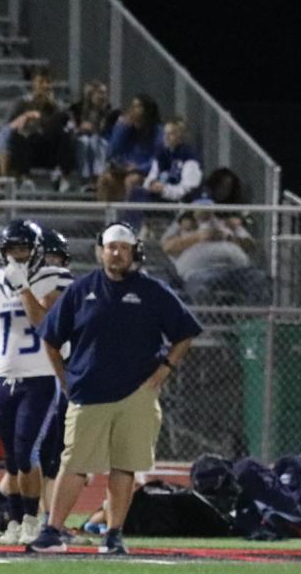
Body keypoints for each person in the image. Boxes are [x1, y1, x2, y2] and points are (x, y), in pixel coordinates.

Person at [30, 224, 200, 556]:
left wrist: (165, 369)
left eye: (123, 247)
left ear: (134, 251)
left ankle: (114, 534)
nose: (117, 253)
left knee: (125, 466)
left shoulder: (153, 291)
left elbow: (185, 332)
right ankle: (53, 530)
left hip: (136, 393)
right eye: (111, 247)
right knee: (74, 464)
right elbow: (50, 338)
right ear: (100, 251)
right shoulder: (82, 290)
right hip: (88, 391)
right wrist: (65, 379)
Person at [0, 220, 71, 545]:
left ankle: (33, 520)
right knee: (11, 458)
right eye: (12, 250)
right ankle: (18, 520)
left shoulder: (53, 278)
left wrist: (23, 288)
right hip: (4, 375)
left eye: (23, 249)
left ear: (36, 251)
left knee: (27, 453)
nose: (17, 256)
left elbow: (45, 324)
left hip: (39, 377)